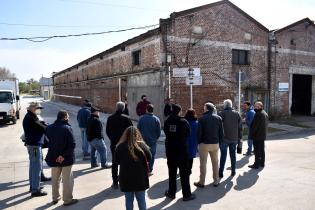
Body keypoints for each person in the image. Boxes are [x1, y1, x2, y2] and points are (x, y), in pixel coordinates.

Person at [45, 110, 78, 206]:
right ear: (64, 117)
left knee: (55, 179)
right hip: (66, 158)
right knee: (67, 179)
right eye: (67, 116)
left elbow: (48, 142)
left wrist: (58, 155)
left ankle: (55, 198)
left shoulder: (49, 128)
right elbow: (72, 144)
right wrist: (62, 156)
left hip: (53, 157)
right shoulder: (67, 128)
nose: (68, 118)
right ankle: (67, 200)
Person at [164, 104, 195, 201]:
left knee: (172, 173)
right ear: (179, 111)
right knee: (184, 174)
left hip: (170, 150)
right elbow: (188, 133)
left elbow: (166, 132)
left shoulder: (167, 121)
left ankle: (171, 193)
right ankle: (186, 195)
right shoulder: (183, 121)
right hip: (182, 151)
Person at [116, 126, 152, 210]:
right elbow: (149, 157)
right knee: (141, 200)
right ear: (137, 134)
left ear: (125, 135)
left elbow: (117, 161)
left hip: (126, 178)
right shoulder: (142, 145)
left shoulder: (120, 147)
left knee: (129, 201)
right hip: (140, 178)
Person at [194, 102, 223, 188]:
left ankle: (202, 182)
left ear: (206, 108)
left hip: (204, 144)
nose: (203, 108)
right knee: (215, 162)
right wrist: (219, 142)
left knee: (203, 163)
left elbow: (199, 133)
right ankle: (216, 180)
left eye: (204, 107)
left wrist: (198, 143)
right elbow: (221, 132)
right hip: (215, 143)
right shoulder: (218, 118)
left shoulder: (202, 118)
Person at [23, 102, 48, 197]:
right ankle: (35, 190)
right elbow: (43, 128)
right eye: (38, 108)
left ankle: (33, 186)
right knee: (36, 168)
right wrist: (45, 125)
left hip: (32, 144)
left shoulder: (31, 116)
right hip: (34, 145)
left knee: (33, 167)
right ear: (33, 109)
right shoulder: (32, 118)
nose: (39, 110)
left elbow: (40, 125)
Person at [106, 101, 133, 188]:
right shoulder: (127, 119)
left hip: (114, 144)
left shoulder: (110, 118)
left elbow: (107, 131)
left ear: (117, 108)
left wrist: (112, 139)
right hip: (125, 144)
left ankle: (115, 182)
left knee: (115, 162)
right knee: (124, 162)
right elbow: (131, 132)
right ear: (123, 108)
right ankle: (123, 180)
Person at [218, 99, 242, 178]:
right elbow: (240, 127)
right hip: (234, 138)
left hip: (224, 138)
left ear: (225, 105)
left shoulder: (221, 113)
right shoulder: (237, 114)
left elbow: (218, 126)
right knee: (233, 156)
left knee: (223, 156)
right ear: (231, 105)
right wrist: (239, 138)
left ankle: (221, 172)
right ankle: (233, 171)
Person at [137, 104, 161, 175]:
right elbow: (158, 132)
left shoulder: (141, 118)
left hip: (143, 141)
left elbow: (138, 130)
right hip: (152, 141)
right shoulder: (156, 119)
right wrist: (155, 138)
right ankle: (149, 170)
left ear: (147, 110)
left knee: (142, 155)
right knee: (152, 156)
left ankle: (142, 169)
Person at [248, 101, 269, 169]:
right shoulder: (264, 113)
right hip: (262, 135)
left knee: (257, 150)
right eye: (254, 106)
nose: (255, 107)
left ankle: (256, 164)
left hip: (257, 136)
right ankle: (262, 163)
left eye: (256, 106)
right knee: (262, 150)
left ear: (260, 106)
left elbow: (255, 126)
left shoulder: (258, 114)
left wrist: (251, 134)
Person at [184, 109, 198, 174]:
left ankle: (185, 168)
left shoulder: (184, 122)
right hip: (193, 141)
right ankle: (189, 169)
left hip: (185, 141)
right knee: (191, 156)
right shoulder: (196, 123)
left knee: (184, 155)